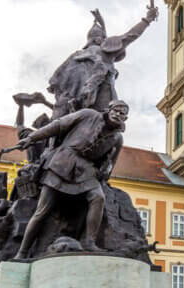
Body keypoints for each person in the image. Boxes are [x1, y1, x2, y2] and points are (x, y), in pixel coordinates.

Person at [14, 100, 129, 258]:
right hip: (62, 162)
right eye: (116, 110)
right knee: (42, 211)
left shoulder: (117, 138)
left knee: (98, 197)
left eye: (122, 113)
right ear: (108, 109)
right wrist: (32, 138)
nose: (118, 114)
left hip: (86, 170)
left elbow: (111, 163)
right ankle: (22, 252)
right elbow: (58, 125)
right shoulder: (88, 115)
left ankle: (89, 242)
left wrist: (104, 172)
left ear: (125, 119)